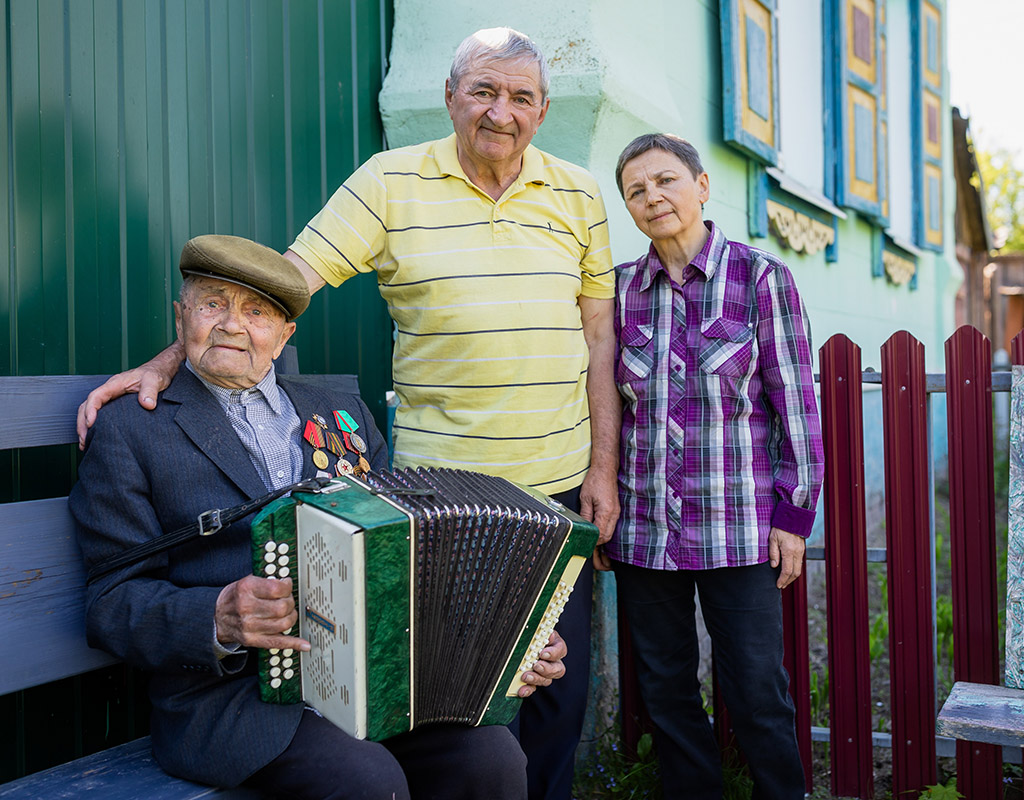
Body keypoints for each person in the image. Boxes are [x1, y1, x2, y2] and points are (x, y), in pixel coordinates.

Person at [75, 27, 617, 800]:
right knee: (385, 776)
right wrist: (173, 358)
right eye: (483, 91)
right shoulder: (390, 183)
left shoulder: (576, 194)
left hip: (550, 486)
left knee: (522, 742)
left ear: (542, 108)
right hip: (423, 500)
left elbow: (599, 335)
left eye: (520, 96)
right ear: (450, 98)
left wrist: (600, 472)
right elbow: (284, 275)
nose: (501, 111)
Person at [71, 235, 567, 799]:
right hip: (233, 699)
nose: (233, 325)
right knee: (365, 780)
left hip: (367, 678)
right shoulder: (131, 430)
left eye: (257, 312)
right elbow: (109, 601)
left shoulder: (342, 412)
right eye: (213, 303)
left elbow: (406, 553)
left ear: (284, 338)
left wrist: (505, 637)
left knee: (491, 759)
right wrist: (217, 617)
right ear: (182, 317)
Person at [601, 134, 825, 800]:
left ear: (701, 186)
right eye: (637, 190)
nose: (653, 198)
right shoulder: (617, 293)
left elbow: (798, 408)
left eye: (666, 180)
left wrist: (794, 516)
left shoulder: (761, 280)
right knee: (666, 689)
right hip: (644, 531)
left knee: (756, 689)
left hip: (740, 528)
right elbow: (605, 409)